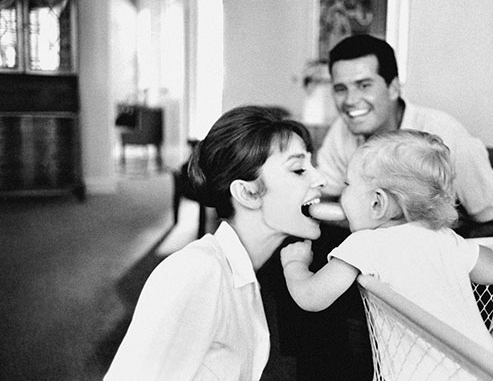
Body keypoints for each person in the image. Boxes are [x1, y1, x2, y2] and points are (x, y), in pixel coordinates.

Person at [104, 105, 327, 381]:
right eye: (299, 169)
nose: (321, 179)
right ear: (248, 193)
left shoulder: (242, 275)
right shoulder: (196, 273)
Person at [281, 130, 493, 378]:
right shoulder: (444, 237)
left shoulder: (366, 244)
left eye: (347, 185)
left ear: (377, 203)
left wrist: (295, 264)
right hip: (489, 372)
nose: (342, 195)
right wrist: (465, 248)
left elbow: (312, 298)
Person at [317, 34, 493, 237]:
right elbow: (323, 197)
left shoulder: (447, 137)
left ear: (393, 88)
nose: (350, 100)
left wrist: (442, 248)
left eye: (364, 85)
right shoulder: (342, 130)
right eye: (341, 89)